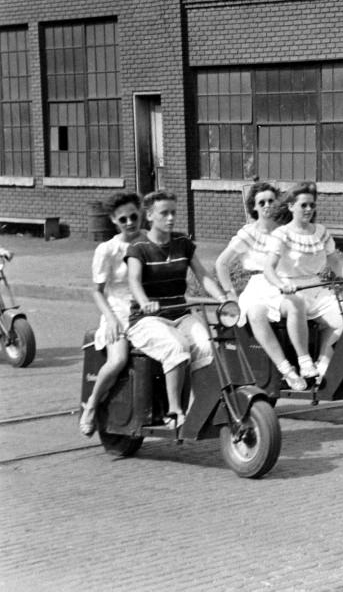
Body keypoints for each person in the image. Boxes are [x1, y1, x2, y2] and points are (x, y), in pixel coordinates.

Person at [125, 190, 227, 427]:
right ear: (149, 216)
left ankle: (197, 402)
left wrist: (222, 297)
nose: (170, 218)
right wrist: (144, 302)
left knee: (206, 343)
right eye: (164, 213)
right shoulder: (138, 248)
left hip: (180, 314)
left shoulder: (182, 243)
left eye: (173, 213)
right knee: (176, 346)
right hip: (147, 319)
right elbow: (133, 281)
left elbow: (202, 275)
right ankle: (173, 410)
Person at [215, 182, 307, 391]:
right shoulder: (248, 233)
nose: (267, 205)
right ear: (254, 207)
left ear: (278, 204)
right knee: (256, 313)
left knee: (295, 306)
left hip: (280, 283)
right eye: (261, 202)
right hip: (257, 286)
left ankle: (305, 361)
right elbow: (221, 263)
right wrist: (230, 294)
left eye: (271, 201)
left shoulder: (285, 231)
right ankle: (286, 370)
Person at [263, 182, 343, 384]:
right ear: (291, 206)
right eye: (304, 205)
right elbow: (269, 268)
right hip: (289, 289)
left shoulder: (320, 231)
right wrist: (281, 285)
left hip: (316, 288)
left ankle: (323, 361)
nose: (309, 209)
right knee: (297, 304)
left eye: (312, 205)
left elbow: (335, 261)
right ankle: (304, 361)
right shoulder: (282, 234)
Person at [78, 192, 143, 436]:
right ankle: (92, 405)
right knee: (118, 360)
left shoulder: (148, 242)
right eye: (123, 219)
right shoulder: (108, 250)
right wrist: (112, 319)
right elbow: (97, 292)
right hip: (117, 311)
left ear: (141, 214)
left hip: (146, 310)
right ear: (114, 221)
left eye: (133, 216)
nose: (129, 223)